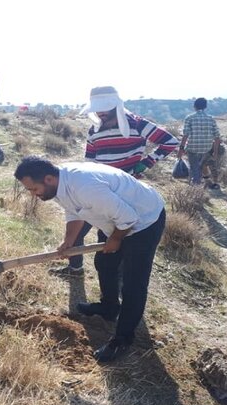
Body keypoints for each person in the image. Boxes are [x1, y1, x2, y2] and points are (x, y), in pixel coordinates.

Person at [14, 157, 166, 362]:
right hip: (116, 219)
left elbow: (129, 218)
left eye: (33, 189)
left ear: (48, 179)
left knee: (133, 284)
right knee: (105, 263)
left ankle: (122, 340)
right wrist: (69, 241)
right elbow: (73, 211)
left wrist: (115, 239)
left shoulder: (85, 186)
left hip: (144, 220)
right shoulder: (59, 185)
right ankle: (109, 307)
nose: (33, 194)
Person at [50, 85, 179, 278]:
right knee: (75, 232)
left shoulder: (137, 124)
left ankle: (117, 280)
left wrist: (146, 163)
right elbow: (90, 162)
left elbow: (170, 142)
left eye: (105, 107)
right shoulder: (94, 131)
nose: (101, 112)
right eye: (98, 108)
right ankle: (75, 268)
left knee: (119, 234)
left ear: (116, 106)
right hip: (94, 189)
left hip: (123, 191)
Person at [178, 98, 222, 188]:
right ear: (205, 107)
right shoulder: (211, 119)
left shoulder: (189, 118)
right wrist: (215, 153)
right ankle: (209, 182)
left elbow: (185, 135)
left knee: (195, 169)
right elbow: (217, 137)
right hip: (207, 149)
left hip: (192, 148)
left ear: (194, 106)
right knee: (203, 166)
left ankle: (195, 189)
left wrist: (181, 149)